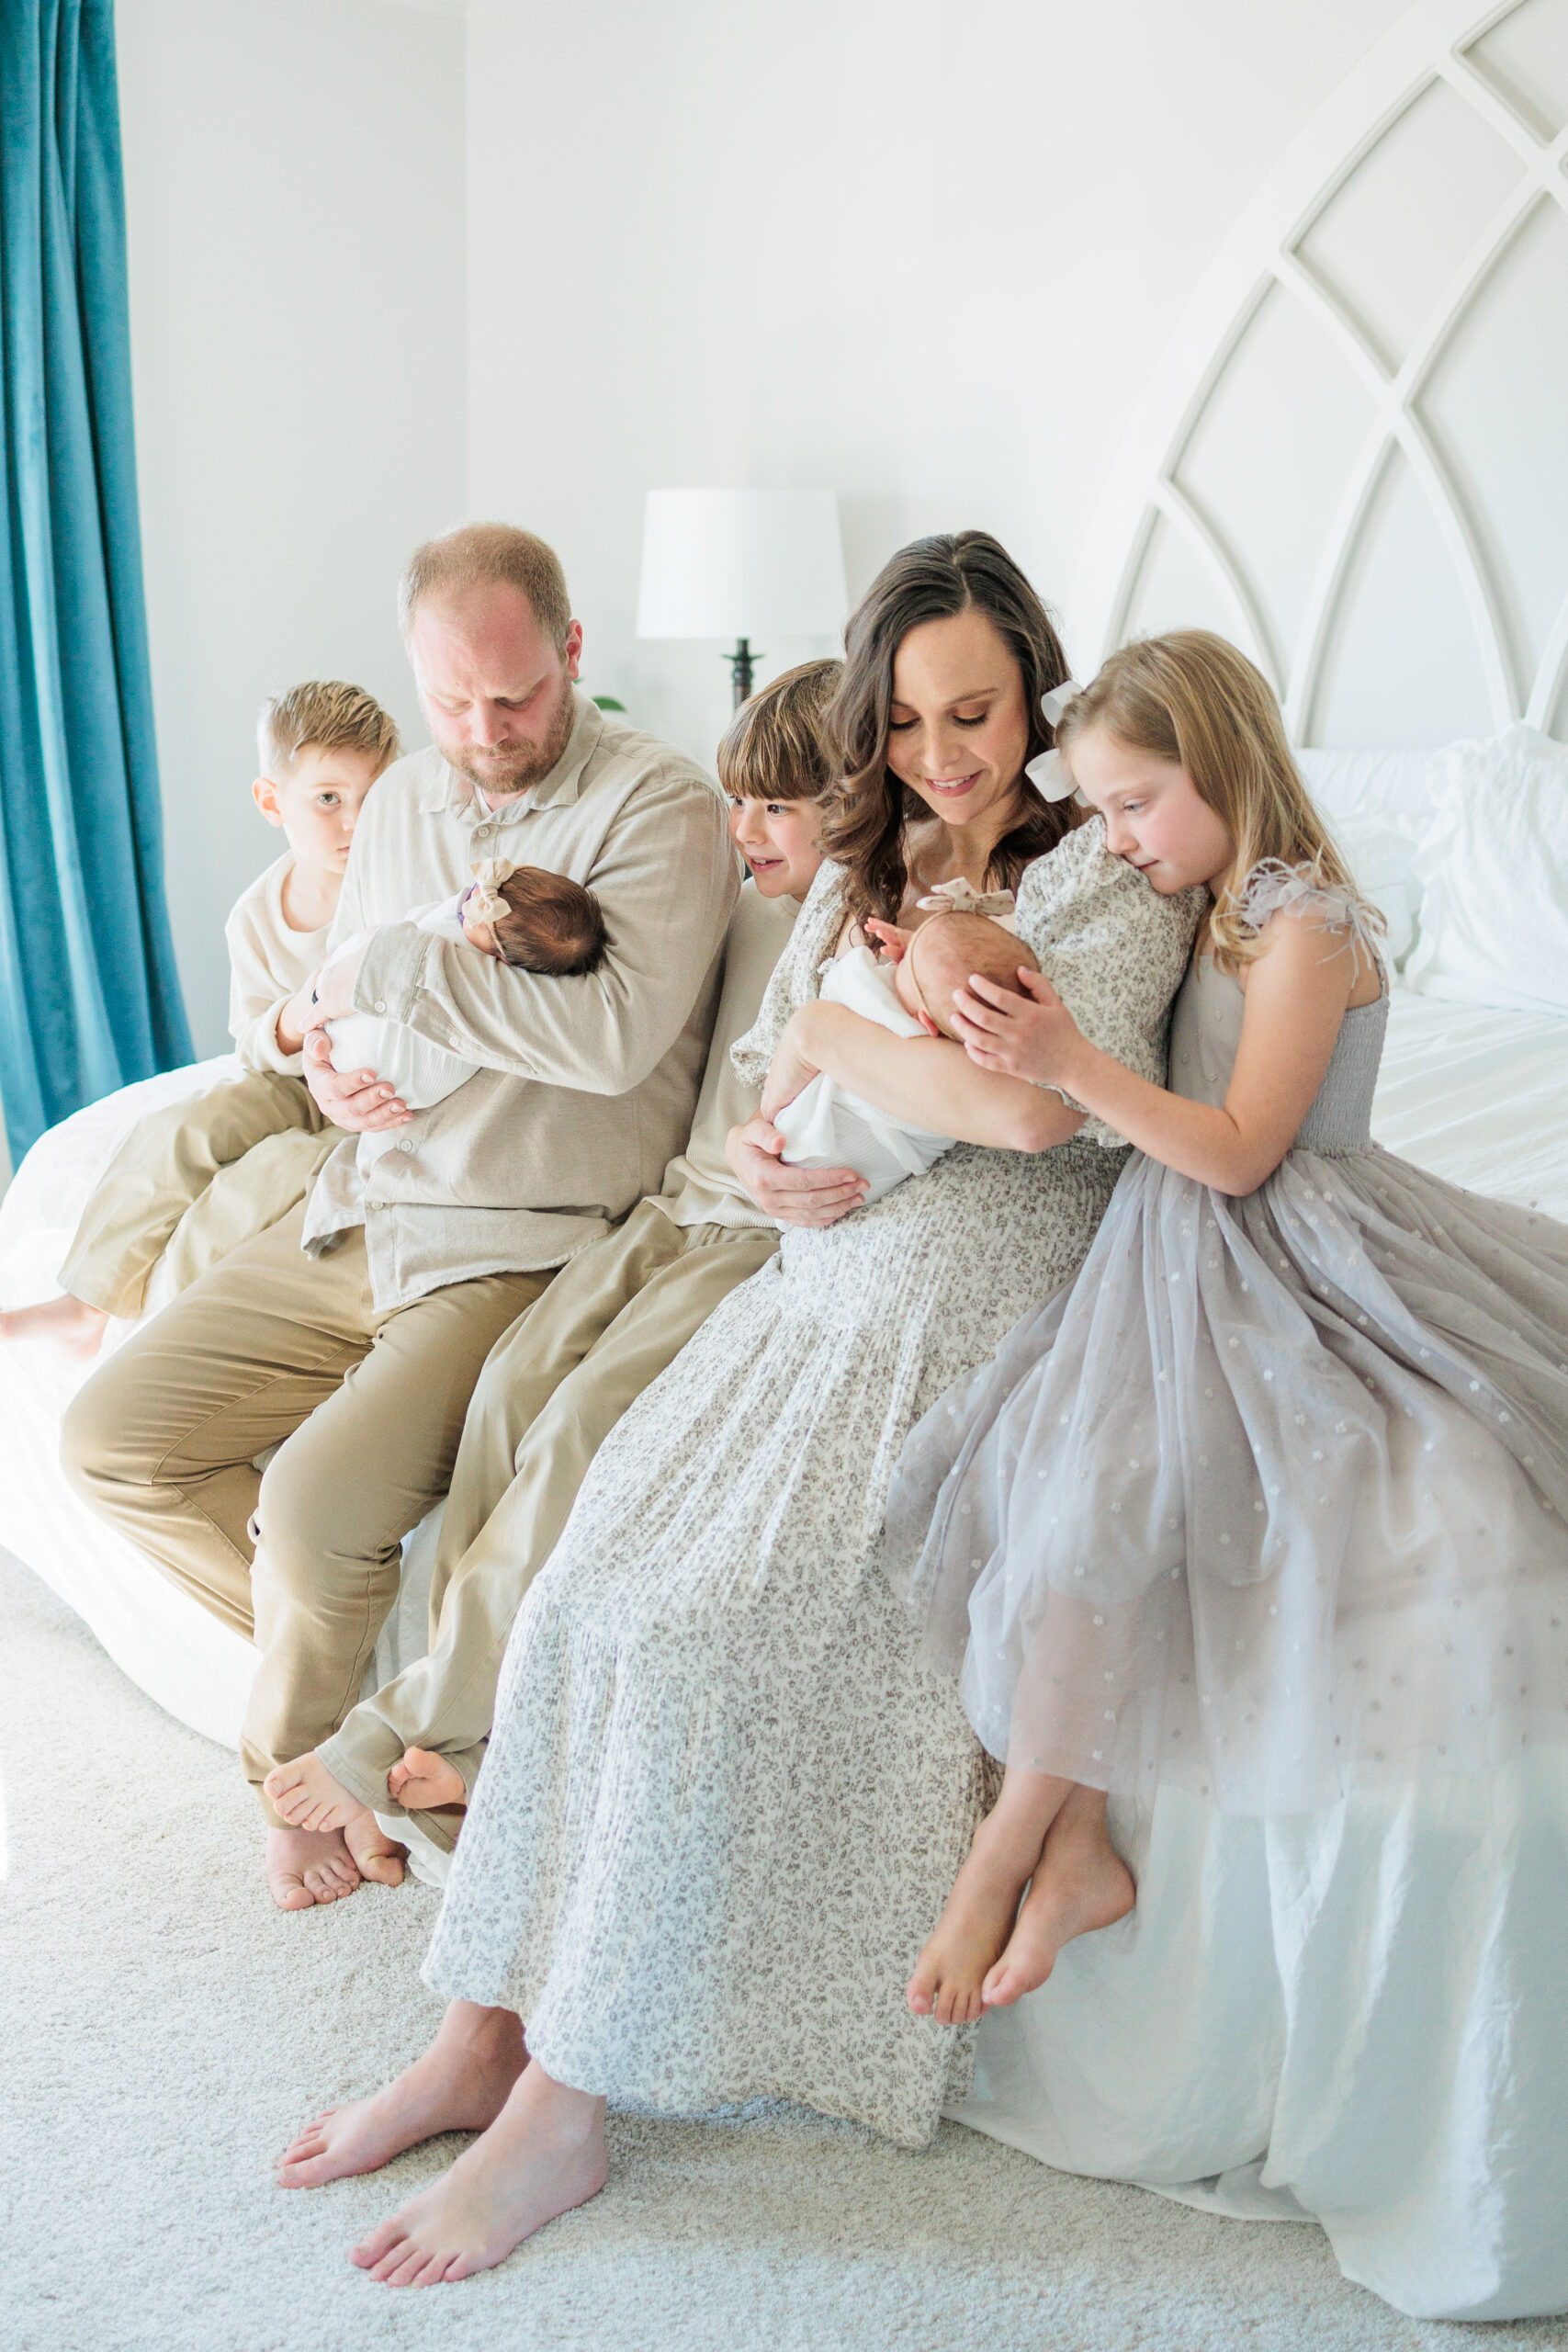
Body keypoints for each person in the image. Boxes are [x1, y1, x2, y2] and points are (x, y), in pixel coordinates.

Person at [273, 530, 1201, 2288]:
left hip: (972, 1316)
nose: (947, 751)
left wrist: (857, 1049)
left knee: (701, 1640)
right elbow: (786, 1055)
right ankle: (481, 2034)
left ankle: (568, 2098)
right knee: (579, 1592)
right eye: (916, 717)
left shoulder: (1106, 867)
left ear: (1036, 691)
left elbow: (1021, 1117)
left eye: (980, 710)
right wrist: (777, 1154)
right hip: (817, 1291)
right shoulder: (876, 852)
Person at [877, 634, 1568, 2319]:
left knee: (1217, 1490)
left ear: (1221, 765)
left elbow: (1245, 1147)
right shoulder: (1183, 899)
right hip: (1169, 1256)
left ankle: (1015, 1851)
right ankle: (1069, 1840)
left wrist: (1066, 1068)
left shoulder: (1307, 921)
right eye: (1099, 809)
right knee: (1079, 1493)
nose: (1110, 836)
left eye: (1132, 804)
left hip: (1300, 1243)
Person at [61, 522, 738, 1913]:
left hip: (516, 1239)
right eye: (450, 703)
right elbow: (334, 1006)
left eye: (516, 698)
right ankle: (351, 1688)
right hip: (359, 1210)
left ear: (570, 654)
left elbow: (609, 1038)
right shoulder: (406, 801)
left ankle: (297, 1788)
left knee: (312, 1513)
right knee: (110, 1442)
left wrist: (395, 974)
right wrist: (321, 1042)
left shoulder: (657, 807)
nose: (485, 732)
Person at [262, 658, 839, 1852]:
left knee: (576, 1425)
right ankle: (457, 1743)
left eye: (776, 807)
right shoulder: (757, 898)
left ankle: (404, 1725)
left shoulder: (869, 923)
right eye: (740, 802)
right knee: (510, 1393)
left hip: (761, 1238)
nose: (742, 833)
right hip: (677, 1210)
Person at [0, 681, 398, 1357]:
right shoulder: (254, 913)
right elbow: (251, 1043)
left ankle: (159, 1343)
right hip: (292, 1080)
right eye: (328, 799)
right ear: (273, 802)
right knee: (177, 1132)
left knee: (268, 1176)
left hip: (370, 1089)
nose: (354, 821)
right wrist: (301, 1017)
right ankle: (84, 1307)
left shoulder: (397, 881)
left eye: (373, 798)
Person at [769, 910, 1043, 1208]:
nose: (891, 966)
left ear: (924, 1023)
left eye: (904, 967)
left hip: (818, 1154)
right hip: (786, 1167)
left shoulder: (903, 1025)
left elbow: (844, 990)